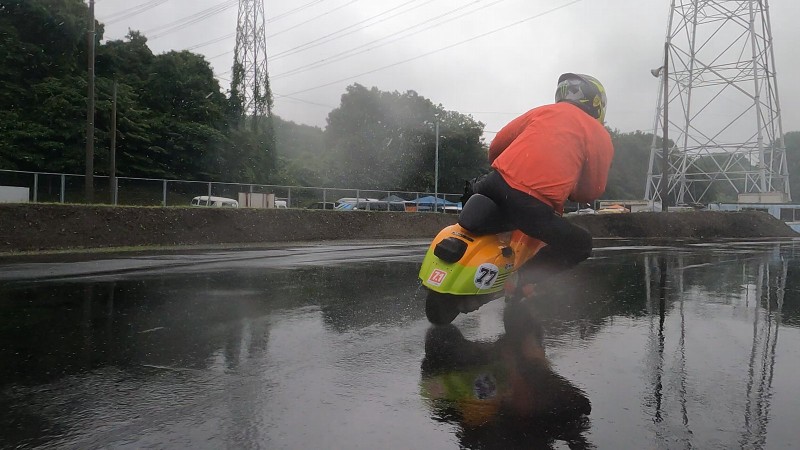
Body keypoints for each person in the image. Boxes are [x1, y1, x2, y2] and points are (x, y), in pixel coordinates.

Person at [469, 73, 614, 298]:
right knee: (580, 244)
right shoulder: (599, 134)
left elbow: (496, 145)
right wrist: (574, 193)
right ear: (597, 103)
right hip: (531, 206)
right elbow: (592, 190)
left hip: (493, 184)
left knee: (481, 213)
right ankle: (520, 278)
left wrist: (503, 167)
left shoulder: (542, 111)